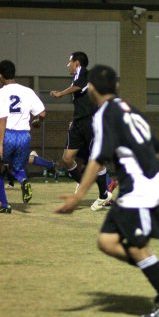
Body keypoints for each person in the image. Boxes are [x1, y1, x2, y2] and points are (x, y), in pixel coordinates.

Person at [56, 64, 159, 317]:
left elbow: (97, 159)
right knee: (107, 241)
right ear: (115, 86)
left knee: (137, 248)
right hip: (140, 182)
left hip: (140, 186)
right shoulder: (128, 108)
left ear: (90, 88)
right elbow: (155, 147)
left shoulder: (103, 114)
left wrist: (78, 195)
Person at [50, 51, 112, 211]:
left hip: (90, 122)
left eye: (69, 61)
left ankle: (104, 195)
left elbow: (77, 86)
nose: (67, 65)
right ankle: (82, 181)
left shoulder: (84, 72)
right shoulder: (79, 76)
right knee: (67, 158)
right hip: (78, 122)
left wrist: (60, 93)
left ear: (77, 62)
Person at [0, 60, 46, 213]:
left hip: (7, 134)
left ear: (0, 75)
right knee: (16, 167)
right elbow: (42, 113)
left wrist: (0, 143)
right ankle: (23, 180)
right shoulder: (27, 91)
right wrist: (37, 122)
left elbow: (3, 119)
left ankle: (5, 205)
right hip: (24, 136)